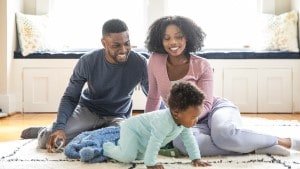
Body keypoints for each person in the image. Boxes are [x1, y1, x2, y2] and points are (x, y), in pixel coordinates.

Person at [144, 15, 300, 157]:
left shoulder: (202, 65)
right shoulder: (155, 60)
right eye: (167, 38)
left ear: (188, 38)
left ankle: (282, 141)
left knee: (224, 135)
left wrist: (188, 118)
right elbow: (153, 96)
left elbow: (206, 103)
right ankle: (255, 147)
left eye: (178, 37)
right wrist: (147, 127)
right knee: (182, 143)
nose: (172, 42)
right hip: (188, 120)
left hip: (214, 109)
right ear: (160, 40)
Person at [31, 18, 148, 153]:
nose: (123, 50)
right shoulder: (87, 61)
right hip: (88, 111)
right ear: (104, 43)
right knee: (47, 140)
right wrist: (60, 127)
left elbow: (153, 96)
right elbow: (70, 97)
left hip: (118, 116)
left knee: (125, 142)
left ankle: (86, 133)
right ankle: (49, 129)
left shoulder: (140, 63)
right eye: (116, 46)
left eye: (127, 43)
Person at [103, 81, 211, 169]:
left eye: (197, 116)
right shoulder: (164, 122)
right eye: (193, 117)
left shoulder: (182, 122)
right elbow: (155, 142)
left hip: (144, 139)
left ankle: (122, 144)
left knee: (139, 157)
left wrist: (196, 158)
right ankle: (106, 146)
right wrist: (151, 163)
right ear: (176, 113)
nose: (196, 120)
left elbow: (189, 140)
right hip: (131, 129)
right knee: (127, 157)